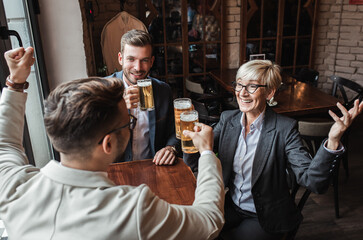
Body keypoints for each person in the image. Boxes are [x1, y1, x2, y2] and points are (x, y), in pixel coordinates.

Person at [0, 47, 225, 239]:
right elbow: (209, 221)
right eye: (128, 121)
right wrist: (206, 153)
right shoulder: (132, 210)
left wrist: (15, 82)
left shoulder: (13, 186)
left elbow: (5, 145)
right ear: (108, 144)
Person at [186, 60, 363, 240]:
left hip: (264, 215)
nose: (242, 92)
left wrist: (333, 140)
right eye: (239, 84)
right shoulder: (228, 120)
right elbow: (191, 161)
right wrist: (187, 141)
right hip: (230, 205)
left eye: (252, 86)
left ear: (270, 92)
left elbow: (313, 182)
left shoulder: (284, 129)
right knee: (195, 232)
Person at [108, 29, 178, 165]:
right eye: (131, 59)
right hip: (116, 171)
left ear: (151, 62)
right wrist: (120, 107)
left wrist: (171, 148)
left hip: (153, 167)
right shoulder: (103, 89)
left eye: (144, 60)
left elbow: (174, 132)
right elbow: (90, 138)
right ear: (120, 59)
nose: (138, 68)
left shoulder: (163, 90)